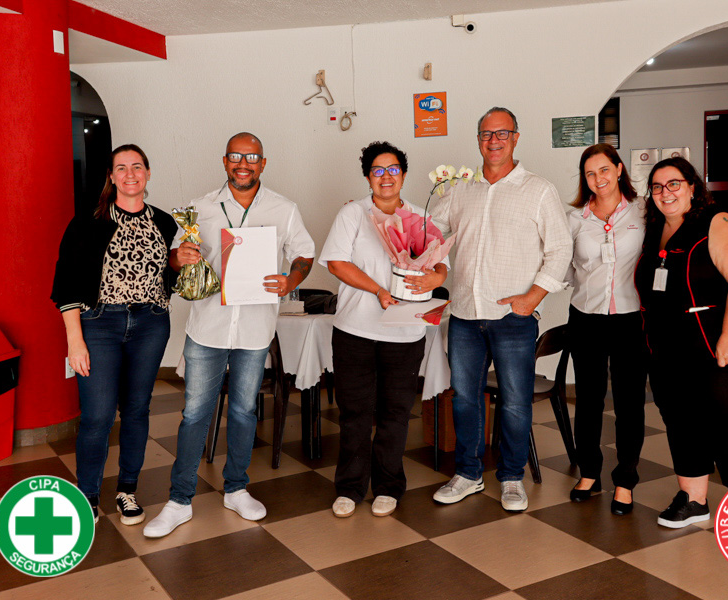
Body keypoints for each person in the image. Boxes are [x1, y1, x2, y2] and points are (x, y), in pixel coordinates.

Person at [143, 132, 315, 538]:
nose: (243, 164)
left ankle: (236, 488)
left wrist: (291, 279)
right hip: (208, 327)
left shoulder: (284, 209)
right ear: (224, 161)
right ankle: (179, 500)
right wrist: (180, 256)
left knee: (243, 411)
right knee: (194, 414)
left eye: (252, 157)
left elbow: (304, 253)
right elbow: (174, 257)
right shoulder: (200, 208)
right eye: (236, 156)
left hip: (255, 329)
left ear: (263, 163)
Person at [430, 107, 572, 511]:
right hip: (464, 315)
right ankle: (468, 474)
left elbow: (561, 248)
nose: (494, 141)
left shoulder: (538, 190)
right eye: (486, 134)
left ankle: (511, 477)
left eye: (502, 133)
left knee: (514, 402)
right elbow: (430, 233)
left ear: (516, 138)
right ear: (478, 140)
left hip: (513, 319)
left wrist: (533, 297)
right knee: (464, 399)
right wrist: (389, 216)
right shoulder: (460, 189)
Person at [635, 157, 728, 528]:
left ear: (692, 187)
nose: (665, 192)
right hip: (669, 348)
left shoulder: (717, 222)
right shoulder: (655, 228)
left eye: (674, 184)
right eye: (657, 187)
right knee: (681, 421)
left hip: (717, 344)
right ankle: (693, 500)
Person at [319, 141, 449, 518]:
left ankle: (389, 486)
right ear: (368, 177)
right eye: (378, 170)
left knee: (395, 413)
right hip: (355, 331)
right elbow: (336, 263)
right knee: (355, 413)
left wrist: (436, 278)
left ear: (403, 176)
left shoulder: (421, 217)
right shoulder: (353, 213)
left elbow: (441, 264)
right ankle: (350, 487)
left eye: (393, 170)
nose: (386, 176)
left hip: (405, 333)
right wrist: (378, 289)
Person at [51, 144, 179, 525]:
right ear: (111, 176)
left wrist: (184, 264)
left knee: (137, 409)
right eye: (121, 168)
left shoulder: (166, 223)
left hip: (151, 322)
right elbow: (66, 283)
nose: (130, 174)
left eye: (137, 166)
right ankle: (88, 497)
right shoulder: (88, 222)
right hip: (99, 323)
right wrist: (75, 340)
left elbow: (168, 276)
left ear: (148, 173)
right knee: (98, 415)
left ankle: (127, 491)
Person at [567, 144, 647, 515]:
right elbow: (564, 265)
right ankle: (589, 472)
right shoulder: (575, 218)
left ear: (618, 169)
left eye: (603, 170)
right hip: (586, 317)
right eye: (590, 173)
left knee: (630, 401)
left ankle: (625, 479)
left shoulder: (643, 211)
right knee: (588, 399)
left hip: (631, 318)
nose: (598, 179)